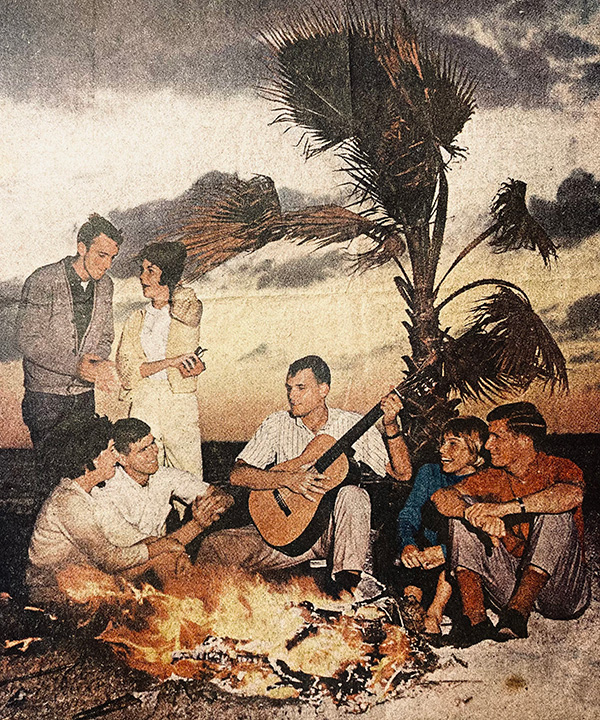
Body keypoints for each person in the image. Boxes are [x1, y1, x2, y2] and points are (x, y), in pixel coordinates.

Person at [197, 355, 412, 598]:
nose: (292, 395)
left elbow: (402, 473)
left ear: (323, 390)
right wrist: (289, 479)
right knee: (213, 546)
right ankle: (207, 616)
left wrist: (392, 425)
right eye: (289, 388)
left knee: (354, 494)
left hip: (334, 534)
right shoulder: (277, 424)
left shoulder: (354, 425)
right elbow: (238, 475)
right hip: (284, 531)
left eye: (301, 388)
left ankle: (346, 591)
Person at [433, 402, 591, 647]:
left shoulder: (558, 467)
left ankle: (517, 615)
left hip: (562, 594)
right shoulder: (493, 477)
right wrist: (475, 515)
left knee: (554, 511)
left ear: (524, 440)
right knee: (463, 512)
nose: (488, 445)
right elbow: (441, 497)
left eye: (496, 436)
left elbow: (571, 496)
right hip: (510, 586)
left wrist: (503, 509)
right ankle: (476, 620)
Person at [27, 416, 188, 606]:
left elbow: (129, 539)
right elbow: (110, 559)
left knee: (163, 558)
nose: (115, 457)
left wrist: (172, 548)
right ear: (93, 459)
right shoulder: (70, 502)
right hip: (52, 591)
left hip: (85, 579)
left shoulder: (90, 492)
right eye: (111, 450)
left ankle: (186, 611)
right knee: (157, 565)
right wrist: (164, 547)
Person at [16, 214, 123, 458]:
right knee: (50, 478)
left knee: (82, 475)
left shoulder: (107, 285)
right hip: (45, 399)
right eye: (101, 255)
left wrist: (95, 365)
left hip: (84, 398)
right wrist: (76, 365)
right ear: (81, 248)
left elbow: (106, 336)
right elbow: (27, 339)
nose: (107, 265)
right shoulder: (43, 279)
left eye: (112, 258)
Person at [116, 241, 205, 477]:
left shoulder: (187, 307)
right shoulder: (136, 319)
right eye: (142, 270)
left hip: (179, 399)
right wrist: (171, 362)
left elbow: (190, 311)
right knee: (141, 471)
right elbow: (128, 371)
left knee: (187, 470)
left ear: (167, 274)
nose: (142, 277)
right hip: (144, 398)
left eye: (151, 271)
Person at [396, 416, 488, 641]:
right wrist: (408, 544)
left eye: (453, 444)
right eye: (443, 442)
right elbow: (410, 513)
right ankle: (412, 605)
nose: (442, 450)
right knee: (399, 541)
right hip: (426, 556)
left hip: (463, 565)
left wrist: (445, 553)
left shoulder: (486, 481)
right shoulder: (429, 473)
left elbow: (483, 542)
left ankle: (434, 614)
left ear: (474, 451)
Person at [92, 418, 233, 553]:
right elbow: (141, 552)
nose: (153, 453)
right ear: (122, 459)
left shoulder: (161, 475)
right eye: (143, 450)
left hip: (162, 554)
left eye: (152, 443)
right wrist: (197, 525)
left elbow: (216, 494)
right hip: (130, 563)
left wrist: (218, 502)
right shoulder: (109, 491)